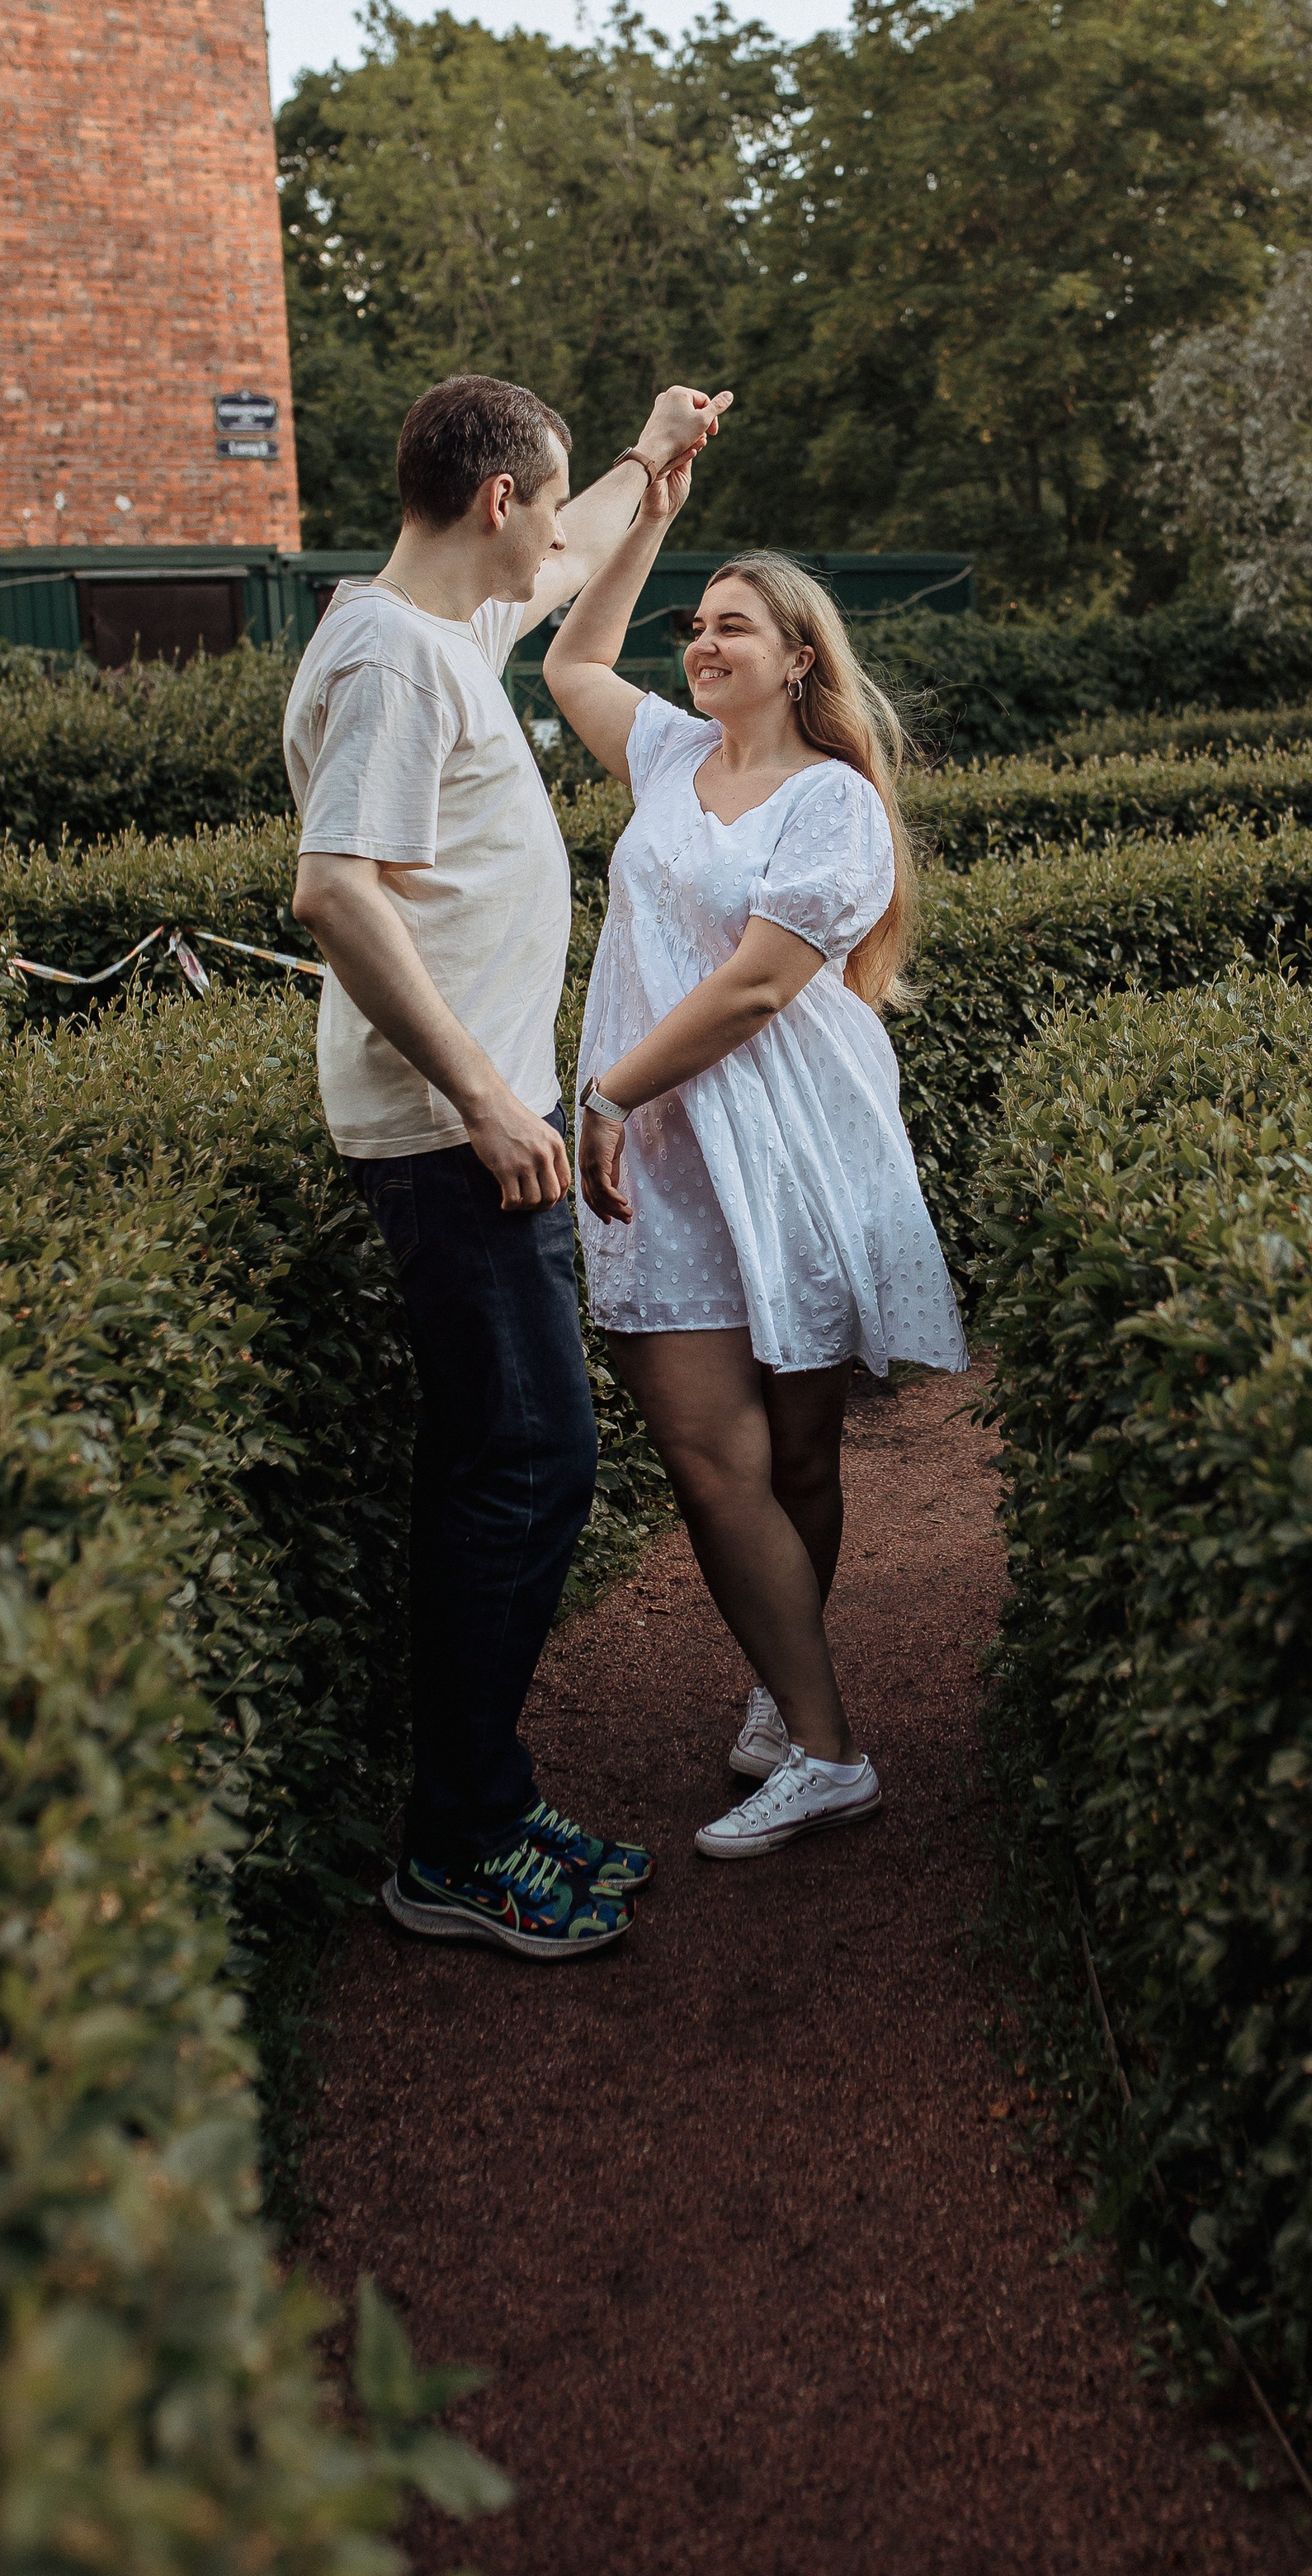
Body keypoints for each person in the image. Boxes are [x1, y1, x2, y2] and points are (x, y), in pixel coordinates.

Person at [285, 369, 729, 1960]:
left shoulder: (438, 623)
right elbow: (336, 892)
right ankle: (458, 1839)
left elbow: (570, 548)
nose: (555, 531)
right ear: (493, 500)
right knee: (528, 1471)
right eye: (543, 501)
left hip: (474, 1124)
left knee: (505, 1465)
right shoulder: (398, 662)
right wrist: (485, 1096)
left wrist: (645, 465)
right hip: (451, 1139)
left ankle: (474, 1799)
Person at [544, 461, 966, 1862]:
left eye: (736, 624)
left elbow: (755, 990)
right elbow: (573, 654)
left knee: (798, 1449)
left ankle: (792, 1702)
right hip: (667, 1153)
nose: (705, 642)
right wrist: (652, 501)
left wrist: (603, 1089)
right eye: (698, 624)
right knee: (710, 1458)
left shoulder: (835, 802)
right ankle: (831, 1743)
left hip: (787, 1142)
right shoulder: (666, 755)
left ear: (800, 659)